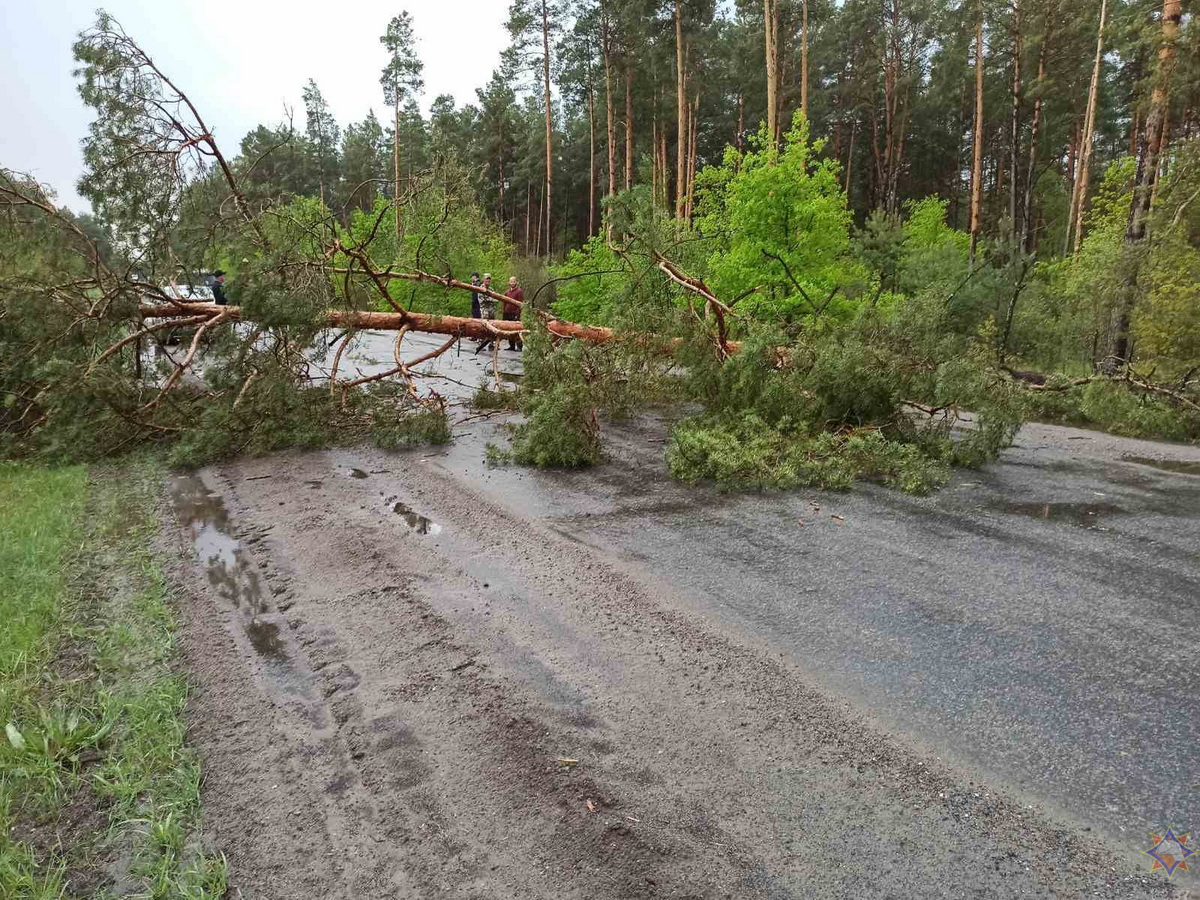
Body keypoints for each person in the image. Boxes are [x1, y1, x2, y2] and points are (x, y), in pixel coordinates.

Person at [474, 273, 499, 355]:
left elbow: (496, 298)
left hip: (491, 310)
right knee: (484, 326)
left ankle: (491, 343)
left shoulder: (491, 289)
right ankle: (480, 342)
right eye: (486, 279)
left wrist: (493, 299)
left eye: (489, 279)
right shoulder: (481, 288)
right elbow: (484, 299)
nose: (488, 280)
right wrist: (493, 299)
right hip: (484, 310)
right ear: (483, 280)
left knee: (492, 326)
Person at [503, 276, 524, 351]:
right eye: (511, 281)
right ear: (509, 282)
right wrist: (504, 313)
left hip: (515, 314)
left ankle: (519, 346)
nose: (512, 283)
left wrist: (517, 314)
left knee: (516, 330)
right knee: (509, 330)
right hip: (507, 314)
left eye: (514, 281)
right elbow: (504, 304)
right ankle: (511, 346)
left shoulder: (519, 291)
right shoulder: (507, 292)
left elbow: (520, 304)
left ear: (516, 282)